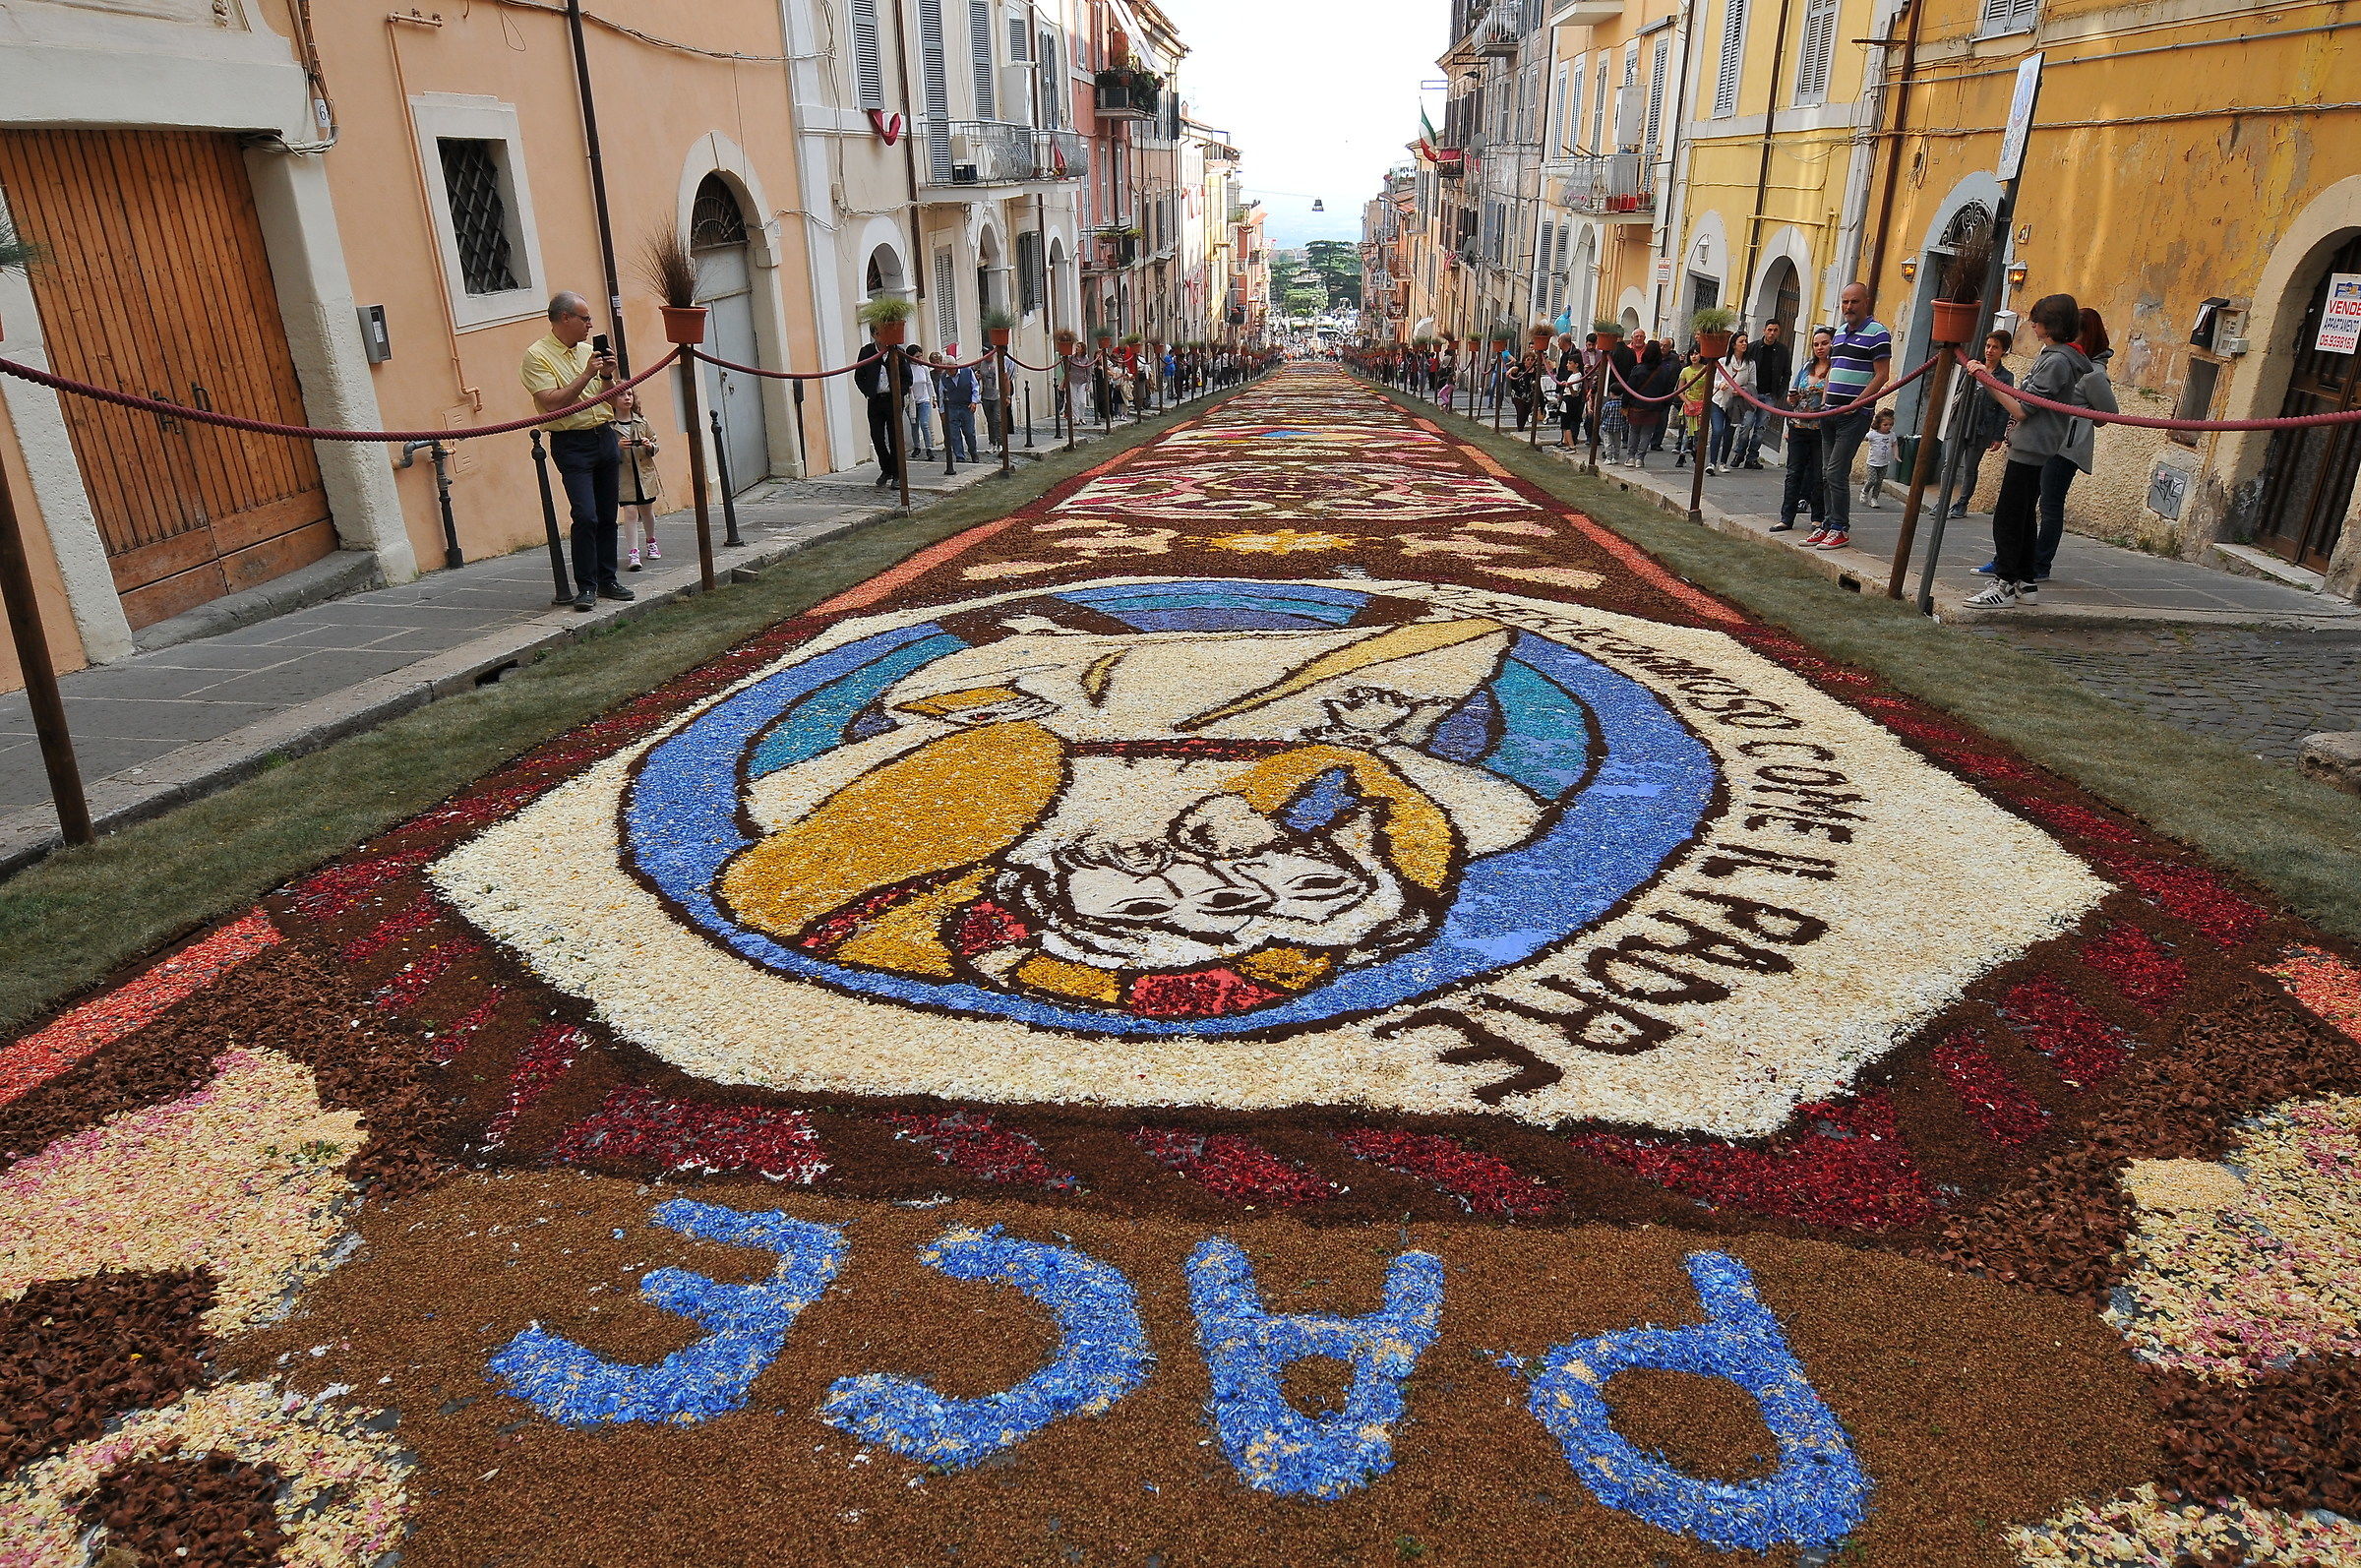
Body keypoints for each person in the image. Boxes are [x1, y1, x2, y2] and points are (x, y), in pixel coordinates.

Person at [1966, 293, 2096, 608]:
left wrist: (1986, 379)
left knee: (2008, 517)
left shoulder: (2056, 360)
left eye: (2036, 321)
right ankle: (2025, 581)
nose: (2032, 325)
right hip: (2037, 443)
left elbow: (2023, 409)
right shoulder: (2057, 355)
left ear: (2050, 325)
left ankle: (2005, 584)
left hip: (2033, 444)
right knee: (2023, 515)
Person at [521, 291, 633, 612]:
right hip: (572, 444)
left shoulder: (588, 351)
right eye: (585, 319)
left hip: (604, 436)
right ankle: (586, 586)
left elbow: (612, 400)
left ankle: (607, 579)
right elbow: (553, 402)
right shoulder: (537, 356)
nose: (590, 324)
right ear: (565, 318)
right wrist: (587, 374)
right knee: (585, 515)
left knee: (608, 513)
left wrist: (608, 376)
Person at [2034, 308, 2118, 581]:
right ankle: (2015, 559)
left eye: (2074, 331)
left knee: (2050, 506)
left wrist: (2076, 418)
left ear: (2086, 334)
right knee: (2027, 502)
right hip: (2043, 440)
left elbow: (2107, 414)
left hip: (2063, 449)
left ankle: (2040, 565)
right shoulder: (2061, 360)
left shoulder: (2093, 373)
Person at [1815, 283, 1892, 551]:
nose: (1848, 307)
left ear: (1866, 302)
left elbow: (1882, 374)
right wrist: (1825, 401)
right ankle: (1826, 524)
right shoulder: (1837, 334)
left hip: (1854, 415)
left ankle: (1840, 528)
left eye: (1854, 302)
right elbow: (1833, 367)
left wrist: (1856, 405)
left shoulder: (1878, 333)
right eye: (1845, 302)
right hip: (1830, 412)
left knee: (1836, 471)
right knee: (1825, 472)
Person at [1950, 330, 2017, 526]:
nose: (1990, 351)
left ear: (2003, 351)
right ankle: (1943, 502)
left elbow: (2004, 408)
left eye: (1995, 347)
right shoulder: (1971, 367)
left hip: (1982, 425)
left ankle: (1962, 503)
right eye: (1988, 346)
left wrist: (1998, 435)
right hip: (1961, 421)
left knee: (1970, 467)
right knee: (1949, 463)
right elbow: (1957, 393)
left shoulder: (2005, 377)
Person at [1778, 328, 1834, 535]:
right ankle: (1786, 518)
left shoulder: (1835, 368)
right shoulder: (1806, 367)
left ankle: (1818, 518)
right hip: (1798, 426)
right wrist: (1792, 399)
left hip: (1821, 429)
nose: (1820, 348)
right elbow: (1792, 396)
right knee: (1794, 473)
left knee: (1819, 474)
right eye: (1816, 344)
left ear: (1832, 344)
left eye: (1824, 343)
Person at [610, 388, 663, 572]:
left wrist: (650, 445)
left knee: (647, 510)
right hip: (623, 477)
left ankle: (651, 541)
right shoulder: (608, 425)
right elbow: (603, 452)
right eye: (622, 395)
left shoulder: (641, 421)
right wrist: (616, 447)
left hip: (644, 474)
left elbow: (655, 442)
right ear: (612, 400)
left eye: (630, 394)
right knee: (630, 512)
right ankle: (633, 552)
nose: (627, 398)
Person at [853, 327, 905, 490]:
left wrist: (899, 394)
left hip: (893, 400)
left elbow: (907, 377)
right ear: (875, 335)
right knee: (876, 437)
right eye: (881, 333)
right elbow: (858, 375)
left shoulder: (897, 352)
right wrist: (868, 392)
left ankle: (897, 474)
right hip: (875, 400)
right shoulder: (867, 352)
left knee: (895, 436)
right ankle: (886, 469)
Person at [1734, 322, 1790, 469]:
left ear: (1779, 332)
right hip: (1751, 395)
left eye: (1775, 330)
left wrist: (1780, 392)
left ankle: (1752, 457)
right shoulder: (1752, 347)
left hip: (1769, 395)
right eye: (1770, 330)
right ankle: (1739, 453)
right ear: (1764, 330)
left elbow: (1787, 373)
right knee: (1746, 425)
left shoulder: (1783, 351)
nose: (1772, 333)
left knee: (1760, 428)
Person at [1621, 342, 1674, 467]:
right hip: (1654, 407)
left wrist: (1624, 404)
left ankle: (1631, 457)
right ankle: (1640, 458)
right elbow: (1668, 390)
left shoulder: (1638, 369)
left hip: (1637, 405)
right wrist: (1663, 405)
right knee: (1647, 432)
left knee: (1634, 431)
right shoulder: (1664, 372)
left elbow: (1630, 387)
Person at [1708, 331, 1746, 473]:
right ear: (1734, 344)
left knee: (1729, 433)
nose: (1744, 344)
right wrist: (1719, 385)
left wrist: (1742, 391)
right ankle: (1712, 463)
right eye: (1741, 341)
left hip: (1735, 403)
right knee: (1717, 430)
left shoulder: (1750, 364)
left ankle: (1723, 463)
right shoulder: (1723, 362)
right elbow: (1713, 379)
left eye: (1745, 341)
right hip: (1718, 401)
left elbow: (1753, 384)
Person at [939, 351, 982, 463]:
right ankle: (960, 456)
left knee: (969, 432)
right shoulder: (944, 377)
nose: (948, 371)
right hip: (952, 407)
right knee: (954, 434)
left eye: (950, 369)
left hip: (966, 406)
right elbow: (941, 395)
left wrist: (974, 402)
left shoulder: (967, 372)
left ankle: (973, 453)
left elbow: (975, 387)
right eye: (946, 369)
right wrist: (942, 411)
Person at [1672, 349, 1712, 468]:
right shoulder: (1685, 371)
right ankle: (1682, 454)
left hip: (1701, 404)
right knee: (1687, 431)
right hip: (1689, 404)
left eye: (1696, 354)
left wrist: (1705, 402)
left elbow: (1708, 388)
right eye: (1692, 354)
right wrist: (1688, 402)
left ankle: (1696, 452)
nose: (1694, 357)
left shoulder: (1706, 369)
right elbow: (1680, 390)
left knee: (1698, 432)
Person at [906, 346, 939, 461]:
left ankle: (929, 448)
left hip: (924, 400)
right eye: (917, 356)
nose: (920, 358)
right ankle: (917, 446)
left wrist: (933, 398)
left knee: (924, 423)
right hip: (912, 401)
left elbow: (929, 383)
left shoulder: (924, 368)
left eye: (921, 355)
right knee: (914, 425)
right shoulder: (907, 368)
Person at [1860, 408, 1898, 509]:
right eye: (1885, 425)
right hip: (1872, 463)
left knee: (1879, 481)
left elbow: (1894, 445)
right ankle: (1865, 491)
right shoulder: (1873, 434)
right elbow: (1864, 438)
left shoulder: (1891, 435)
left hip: (1884, 463)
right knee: (1872, 480)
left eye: (1890, 425)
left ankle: (1874, 499)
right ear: (1878, 424)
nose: (1888, 427)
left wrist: (1896, 455)